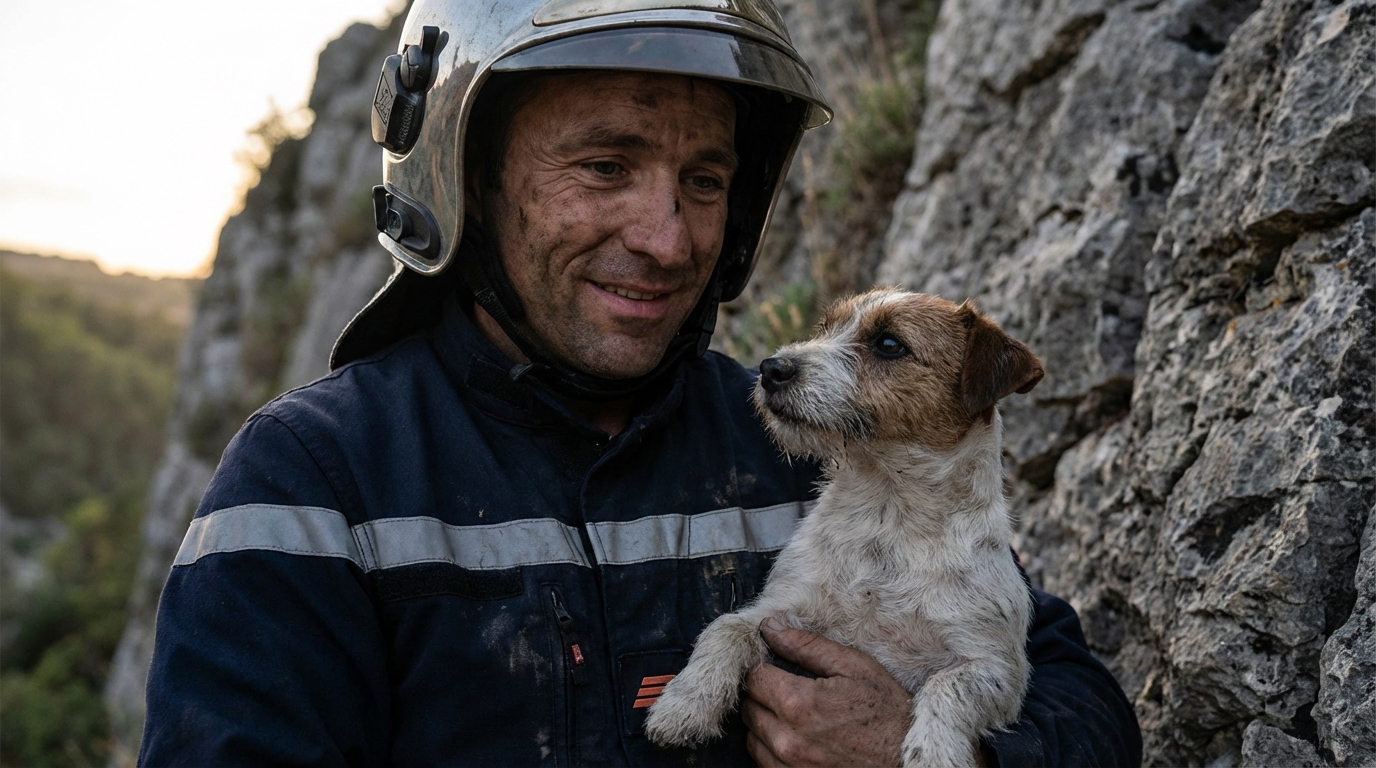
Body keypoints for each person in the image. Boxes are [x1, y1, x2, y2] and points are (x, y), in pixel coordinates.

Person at [139, 1, 1142, 765]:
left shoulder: (804, 445)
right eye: (605, 166)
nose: (667, 239)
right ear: (464, 179)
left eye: (703, 181)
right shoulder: (312, 481)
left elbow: (1083, 708)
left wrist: (930, 749)